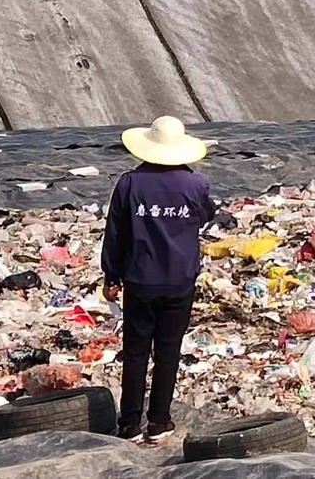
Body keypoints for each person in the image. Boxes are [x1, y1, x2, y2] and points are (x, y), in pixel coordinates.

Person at [101, 116, 216, 443]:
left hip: (140, 280)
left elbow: (115, 233)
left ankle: (129, 424)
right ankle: (159, 422)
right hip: (179, 281)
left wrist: (111, 275)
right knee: (168, 352)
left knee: (135, 353)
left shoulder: (129, 184)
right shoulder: (194, 185)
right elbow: (207, 215)